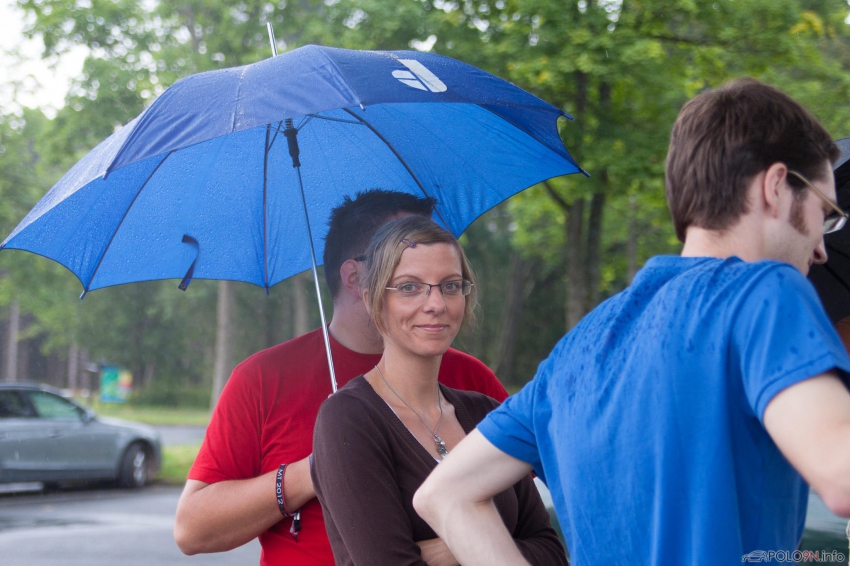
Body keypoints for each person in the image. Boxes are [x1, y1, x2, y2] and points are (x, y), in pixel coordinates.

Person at [414, 78, 850, 565]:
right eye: (825, 213)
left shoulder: (578, 348)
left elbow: (444, 495)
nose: (821, 248)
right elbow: (840, 475)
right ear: (775, 187)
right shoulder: (766, 292)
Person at [173, 190, 508, 565]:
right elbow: (192, 529)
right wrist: (314, 470)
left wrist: (452, 548)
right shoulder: (263, 378)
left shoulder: (470, 381)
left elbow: (529, 515)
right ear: (355, 277)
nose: (435, 300)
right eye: (405, 252)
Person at [311, 215, 567, 566]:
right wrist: (493, 543)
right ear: (372, 300)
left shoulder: (487, 413)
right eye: (409, 287)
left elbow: (551, 553)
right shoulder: (348, 420)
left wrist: (452, 546)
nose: (436, 304)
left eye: (450, 286)